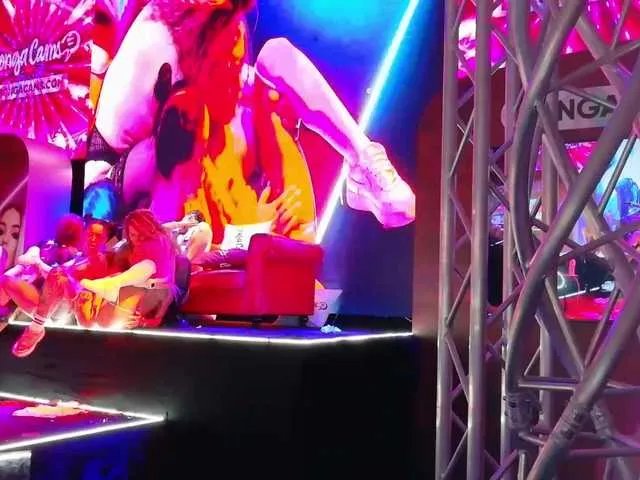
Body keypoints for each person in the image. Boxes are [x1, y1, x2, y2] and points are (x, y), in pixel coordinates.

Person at [86, 0, 414, 235]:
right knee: (186, 116)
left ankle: (363, 164)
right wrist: (252, 230)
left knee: (276, 58)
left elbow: (240, 90)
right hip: (121, 191)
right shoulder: (160, 42)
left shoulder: (220, 22)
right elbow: (97, 180)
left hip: (201, 176)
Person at [11, 218, 114, 357]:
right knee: (8, 280)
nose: (93, 239)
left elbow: (83, 287)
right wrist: (36, 265)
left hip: (68, 307)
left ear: (105, 239)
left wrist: (40, 265)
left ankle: (35, 330)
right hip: (49, 299)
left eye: (98, 236)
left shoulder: (99, 259)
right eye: (90, 234)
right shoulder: (77, 256)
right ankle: (21, 318)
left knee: (57, 273)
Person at [79, 209, 178, 330]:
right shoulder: (126, 249)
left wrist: (151, 321)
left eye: (141, 235)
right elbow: (116, 273)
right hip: (129, 291)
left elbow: (169, 288)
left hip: (157, 297)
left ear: (149, 232)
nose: (138, 240)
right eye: (133, 235)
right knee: (99, 319)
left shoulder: (161, 245)